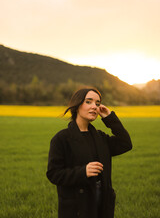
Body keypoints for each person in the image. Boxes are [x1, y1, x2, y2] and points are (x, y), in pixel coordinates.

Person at [46, 87, 132, 218]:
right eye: (89, 102)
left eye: (97, 104)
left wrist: (110, 118)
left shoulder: (100, 137)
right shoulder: (62, 138)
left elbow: (125, 143)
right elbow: (53, 174)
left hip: (103, 201)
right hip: (77, 207)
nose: (94, 107)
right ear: (77, 104)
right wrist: (82, 172)